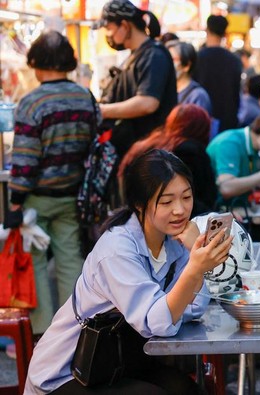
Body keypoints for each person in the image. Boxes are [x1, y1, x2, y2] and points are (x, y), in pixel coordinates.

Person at [25, 149, 233, 394]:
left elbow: (194, 308)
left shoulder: (175, 241)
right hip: (68, 372)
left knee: (185, 389)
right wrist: (196, 267)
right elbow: (156, 323)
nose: (180, 210)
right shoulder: (117, 250)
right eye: (166, 201)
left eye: (186, 197)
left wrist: (193, 258)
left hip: (118, 363)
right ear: (138, 203)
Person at [5, 31, 100, 336]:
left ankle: (40, 332)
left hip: (37, 197)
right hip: (72, 193)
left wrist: (15, 201)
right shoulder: (85, 97)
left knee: (34, 262)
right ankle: (73, 329)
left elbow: (25, 158)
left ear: (36, 62)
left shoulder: (32, 102)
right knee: (70, 260)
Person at [97, 0, 177, 157]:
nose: (108, 35)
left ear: (125, 26)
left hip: (150, 153)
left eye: (109, 29)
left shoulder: (154, 55)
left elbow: (148, 103)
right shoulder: (136, 55)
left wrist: (103, 111)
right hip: (134, 148)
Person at [119, 104, 217, 217]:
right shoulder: (192, 151)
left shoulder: (144, 145)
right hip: (181, 221)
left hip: (137, 215)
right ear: (202, 128)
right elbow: (203, 197)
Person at [192, 15, 243, 133]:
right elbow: (236, 93)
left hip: (201, 119)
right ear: (224, 33)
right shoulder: (234, 60)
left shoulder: (197, 58)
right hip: (227, 120)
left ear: (207, 30)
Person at [166, 41, 212, 116]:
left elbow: (198, 126)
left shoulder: (198, 96)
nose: (166, 63)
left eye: (172, 60)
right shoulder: (166, 90)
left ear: (186, 66)